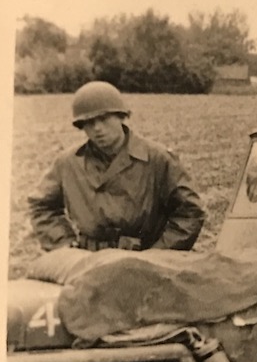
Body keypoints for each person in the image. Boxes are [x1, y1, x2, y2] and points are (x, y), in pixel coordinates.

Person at [28, 81, 206, 252]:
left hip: (145, 260)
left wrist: (161, 252)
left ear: (121, 116)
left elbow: (190, 211)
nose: (97, 128)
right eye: (89, 122)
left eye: (104, 118)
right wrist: (64, 245)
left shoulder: (157, 159)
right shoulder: (68, 163)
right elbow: (41, 205)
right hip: (89, 261)